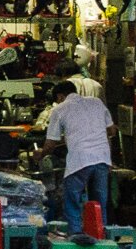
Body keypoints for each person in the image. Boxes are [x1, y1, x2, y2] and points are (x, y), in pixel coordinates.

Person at [34, 80, 114, 234]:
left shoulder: (59, 109)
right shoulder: (96, 102)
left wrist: (40, 154)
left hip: (80, 160)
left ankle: (75, 234)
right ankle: (100, 233)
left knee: (72, 198)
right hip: (102, 158)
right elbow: (111, 130)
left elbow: (51, 143)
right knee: (99, 202)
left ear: (60, 96)